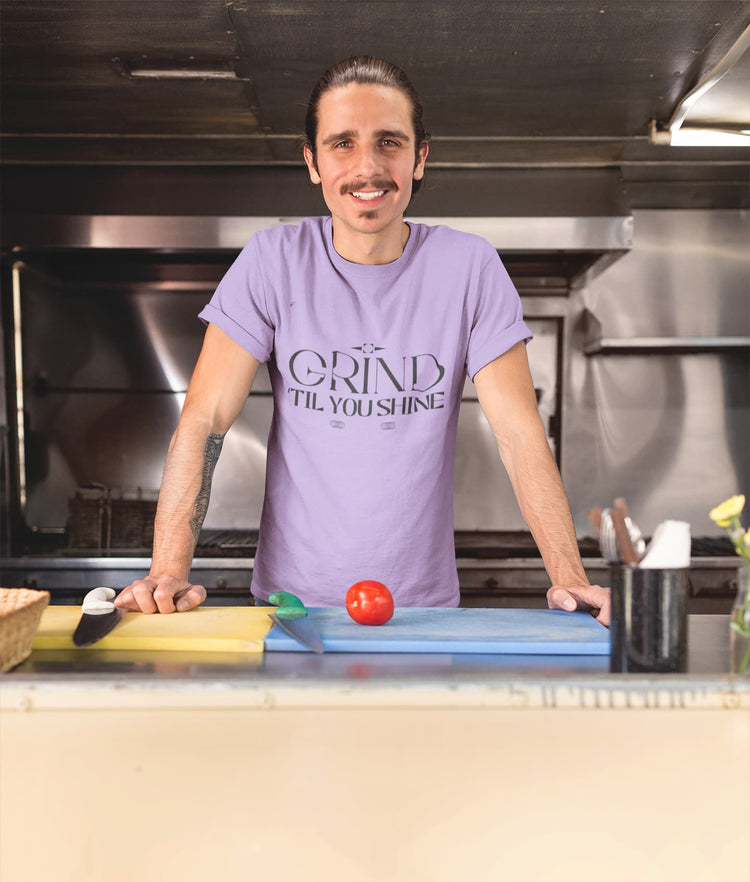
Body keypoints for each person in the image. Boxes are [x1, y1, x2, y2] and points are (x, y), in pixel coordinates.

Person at [115, 56, 610, 625]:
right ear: (313, 163)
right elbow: (203, 422)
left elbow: (520, 433)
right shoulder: (272, 262)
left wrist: (570, 579)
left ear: (420, 157)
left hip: (422, 614)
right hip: (289, 609)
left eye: (390, 142)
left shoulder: (470, 267)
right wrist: (168, 569)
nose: (367, 167)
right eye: (342, 144)